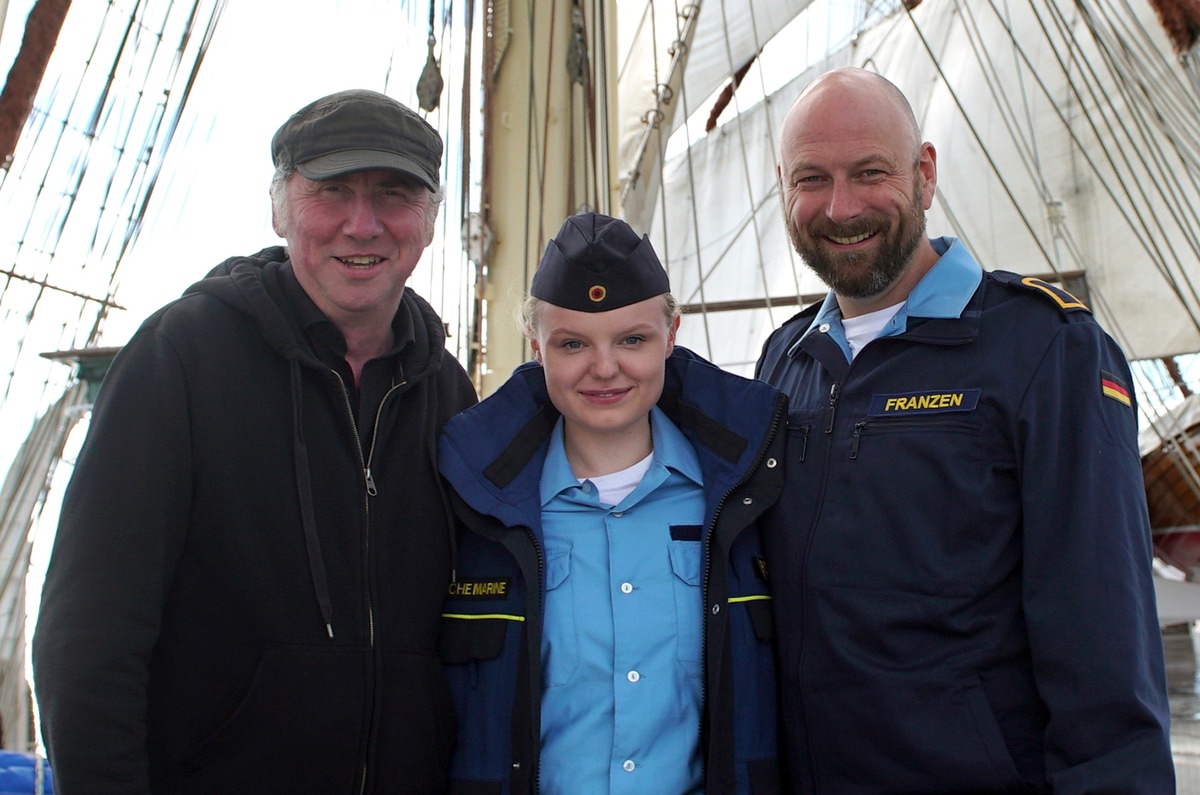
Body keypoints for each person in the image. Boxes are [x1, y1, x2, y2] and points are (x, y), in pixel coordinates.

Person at [32, 89, 477, 793]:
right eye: (332, 191)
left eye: (394, 193)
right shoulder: (180, 359)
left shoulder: (446, 393)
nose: (362, 225)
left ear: (428, 215)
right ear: (279, 206)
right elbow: (88, 639)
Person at [756, 66, 1175, 793]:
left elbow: (1106, 654)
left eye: (870, 173)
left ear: (925, 173)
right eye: (812, 179)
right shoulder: (783, 360)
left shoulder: (1046, 350)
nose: (841, 206)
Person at [437, 211, 786, 793]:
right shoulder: (473, 505)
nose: (604, 368)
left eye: (632, 339)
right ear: (537, 349)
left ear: (671, 337)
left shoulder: (747, 497)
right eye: (573, 343)